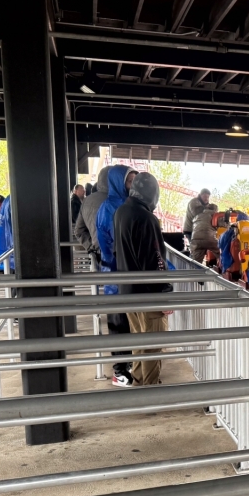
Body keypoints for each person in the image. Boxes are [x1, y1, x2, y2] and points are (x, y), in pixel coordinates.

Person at [114, 172, 172, 387]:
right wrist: (164, 294)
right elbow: (154, 260)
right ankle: (149, 390)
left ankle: (139, 386)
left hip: (129, 292)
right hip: (149, 295)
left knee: (139, 343)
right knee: (152, 344)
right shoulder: (146, 219)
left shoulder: (121, 212)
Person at [96, 164, 139, 387]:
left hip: (126, 274)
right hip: (115, 275)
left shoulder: (127, 206)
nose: (134, 186)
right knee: (119, 324)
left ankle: (128, 365)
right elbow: (116, 244)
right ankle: (119, 371)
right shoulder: (110, 208)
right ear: (118, 183)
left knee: (129, 323)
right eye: (130, 182)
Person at [74, 165, 111, 262]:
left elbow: (78, 231)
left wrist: (92, 246)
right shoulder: (120, 201)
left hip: (99, 254)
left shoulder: (87, 201)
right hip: (120, 257)